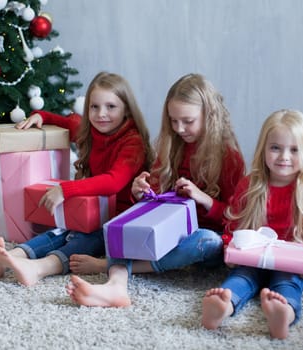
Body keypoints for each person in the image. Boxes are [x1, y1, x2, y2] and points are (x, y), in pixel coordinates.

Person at [66, 73, 246, 307]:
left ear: (209, 116)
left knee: (209, 241)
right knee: (126, 223)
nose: (179, 128)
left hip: (197, 240)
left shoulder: (228, 158)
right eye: (173, 121)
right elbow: (152, 203)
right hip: (165, 233)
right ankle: (116, 286)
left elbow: (236, 218)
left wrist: (204, 199)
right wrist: (139, 192)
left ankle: (111, 266)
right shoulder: (171, 147)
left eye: (187, 121)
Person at [0, 72, 154, 286]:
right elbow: (64, 122)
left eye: (111, 107)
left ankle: (40, 268)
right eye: (94, 107)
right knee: (61, 229)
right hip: (93, 211)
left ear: (126, 109)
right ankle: (11, 256)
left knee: (86, 238)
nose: (101, 114)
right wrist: (41, 116)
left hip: (120, 219)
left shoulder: (133, 142)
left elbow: (113, 182)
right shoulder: (90, 131)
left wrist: (66, 190)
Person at [201, 109, 303, 339]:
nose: (284, 156)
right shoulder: (251, 185)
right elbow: (234, 225)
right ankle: (222, 306)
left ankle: (283, 313)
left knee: (287, 283)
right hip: (254, 257)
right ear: (263, 149)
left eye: (294, 150)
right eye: (275, 148)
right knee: (240, 278)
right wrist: (230, 250)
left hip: (291, 261)